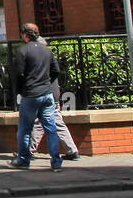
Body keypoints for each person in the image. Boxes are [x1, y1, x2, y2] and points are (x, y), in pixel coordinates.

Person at [8, 23, 63, 171]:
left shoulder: (22, 51)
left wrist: (20, 90)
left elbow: (19, 74)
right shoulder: (47, 51)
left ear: (25, 35)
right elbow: (56, 71)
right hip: (47, 95)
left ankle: (24, 159)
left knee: (25, 129)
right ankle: (56, 162)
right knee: (51, 128)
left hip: (31, 95)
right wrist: (46, 84)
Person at [27, 35, 80, 160]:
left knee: (38, 123)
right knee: (57, 123)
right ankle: (72, 151)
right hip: (53, 95)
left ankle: (29, 151)